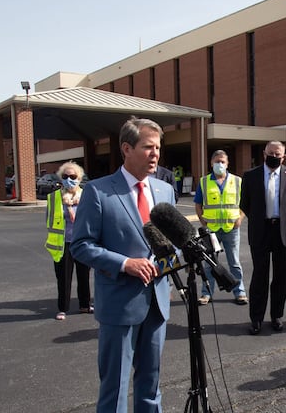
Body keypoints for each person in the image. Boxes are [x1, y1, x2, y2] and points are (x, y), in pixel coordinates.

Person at [71, 117, 176, 413]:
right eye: (148, 147)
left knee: (151, 383)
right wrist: (125, 263)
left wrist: (167, 260)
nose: (155, 153)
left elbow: (174, 242)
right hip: (119, 304)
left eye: (158, 147)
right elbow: (81, 246)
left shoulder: (165, 191)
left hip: (157, 302)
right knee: (115, 387)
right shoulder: (98, 192)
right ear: (127, 149)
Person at [240, 140, 286, 335]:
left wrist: (281, 219)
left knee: (281, 276)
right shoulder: (250, 176)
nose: (274, 157)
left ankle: (277, 315)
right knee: (260, 275)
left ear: (284, 157)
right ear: (264, 154)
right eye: (271, 153)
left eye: (278, 154)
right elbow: (245, 203)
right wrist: (261, 219)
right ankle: (256, 319)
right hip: (260, 231)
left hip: (282, 231)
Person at [194, 150, 248, 306]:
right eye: (217, 161)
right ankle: (206, 293)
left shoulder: (237, 181)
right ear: (211, 163)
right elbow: (198, 204)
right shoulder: (204, 182)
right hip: (211, 230)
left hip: (231, 228)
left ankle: (240, 292)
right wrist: (202, 221)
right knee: (209, 262)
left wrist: (240, 218)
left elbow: (245, 202)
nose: (220, 164)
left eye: (223, 161)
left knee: (234, 262)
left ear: (228, 163)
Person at [45, 161, 92, 321]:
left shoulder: (86, 195)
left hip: (82, 241)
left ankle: (85, 305)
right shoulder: (54, 197)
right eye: (65, 176)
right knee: (64, 277)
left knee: (84, 274)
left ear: (79, 178)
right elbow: (48, 219)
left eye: (73, 176)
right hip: (63, 242)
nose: (69, 179)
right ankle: (62, 308)